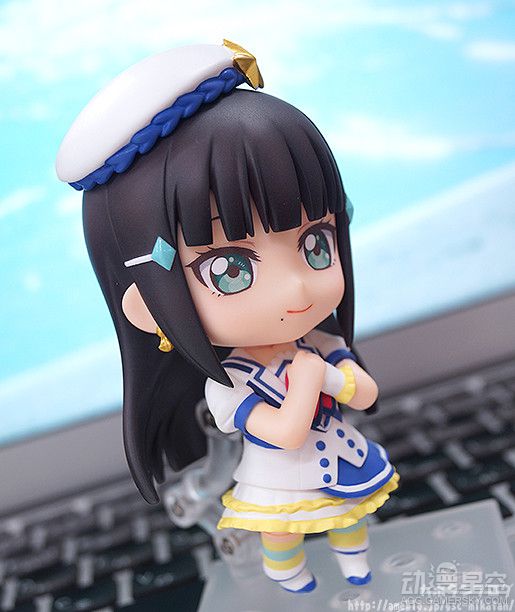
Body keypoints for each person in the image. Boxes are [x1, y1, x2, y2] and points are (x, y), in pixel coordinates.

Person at [56, 41, 400, 594]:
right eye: (231, 269)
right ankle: (286, 572)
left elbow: (366, 393)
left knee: (351, 516)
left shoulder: (320, 342)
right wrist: (311, 379)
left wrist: (332, 375)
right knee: (281, 532)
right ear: (147, 304)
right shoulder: (229, 384)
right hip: (278, 477)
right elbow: (284, 432)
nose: (296, 287)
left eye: (316, 243)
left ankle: (356, 563)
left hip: (342, 456)